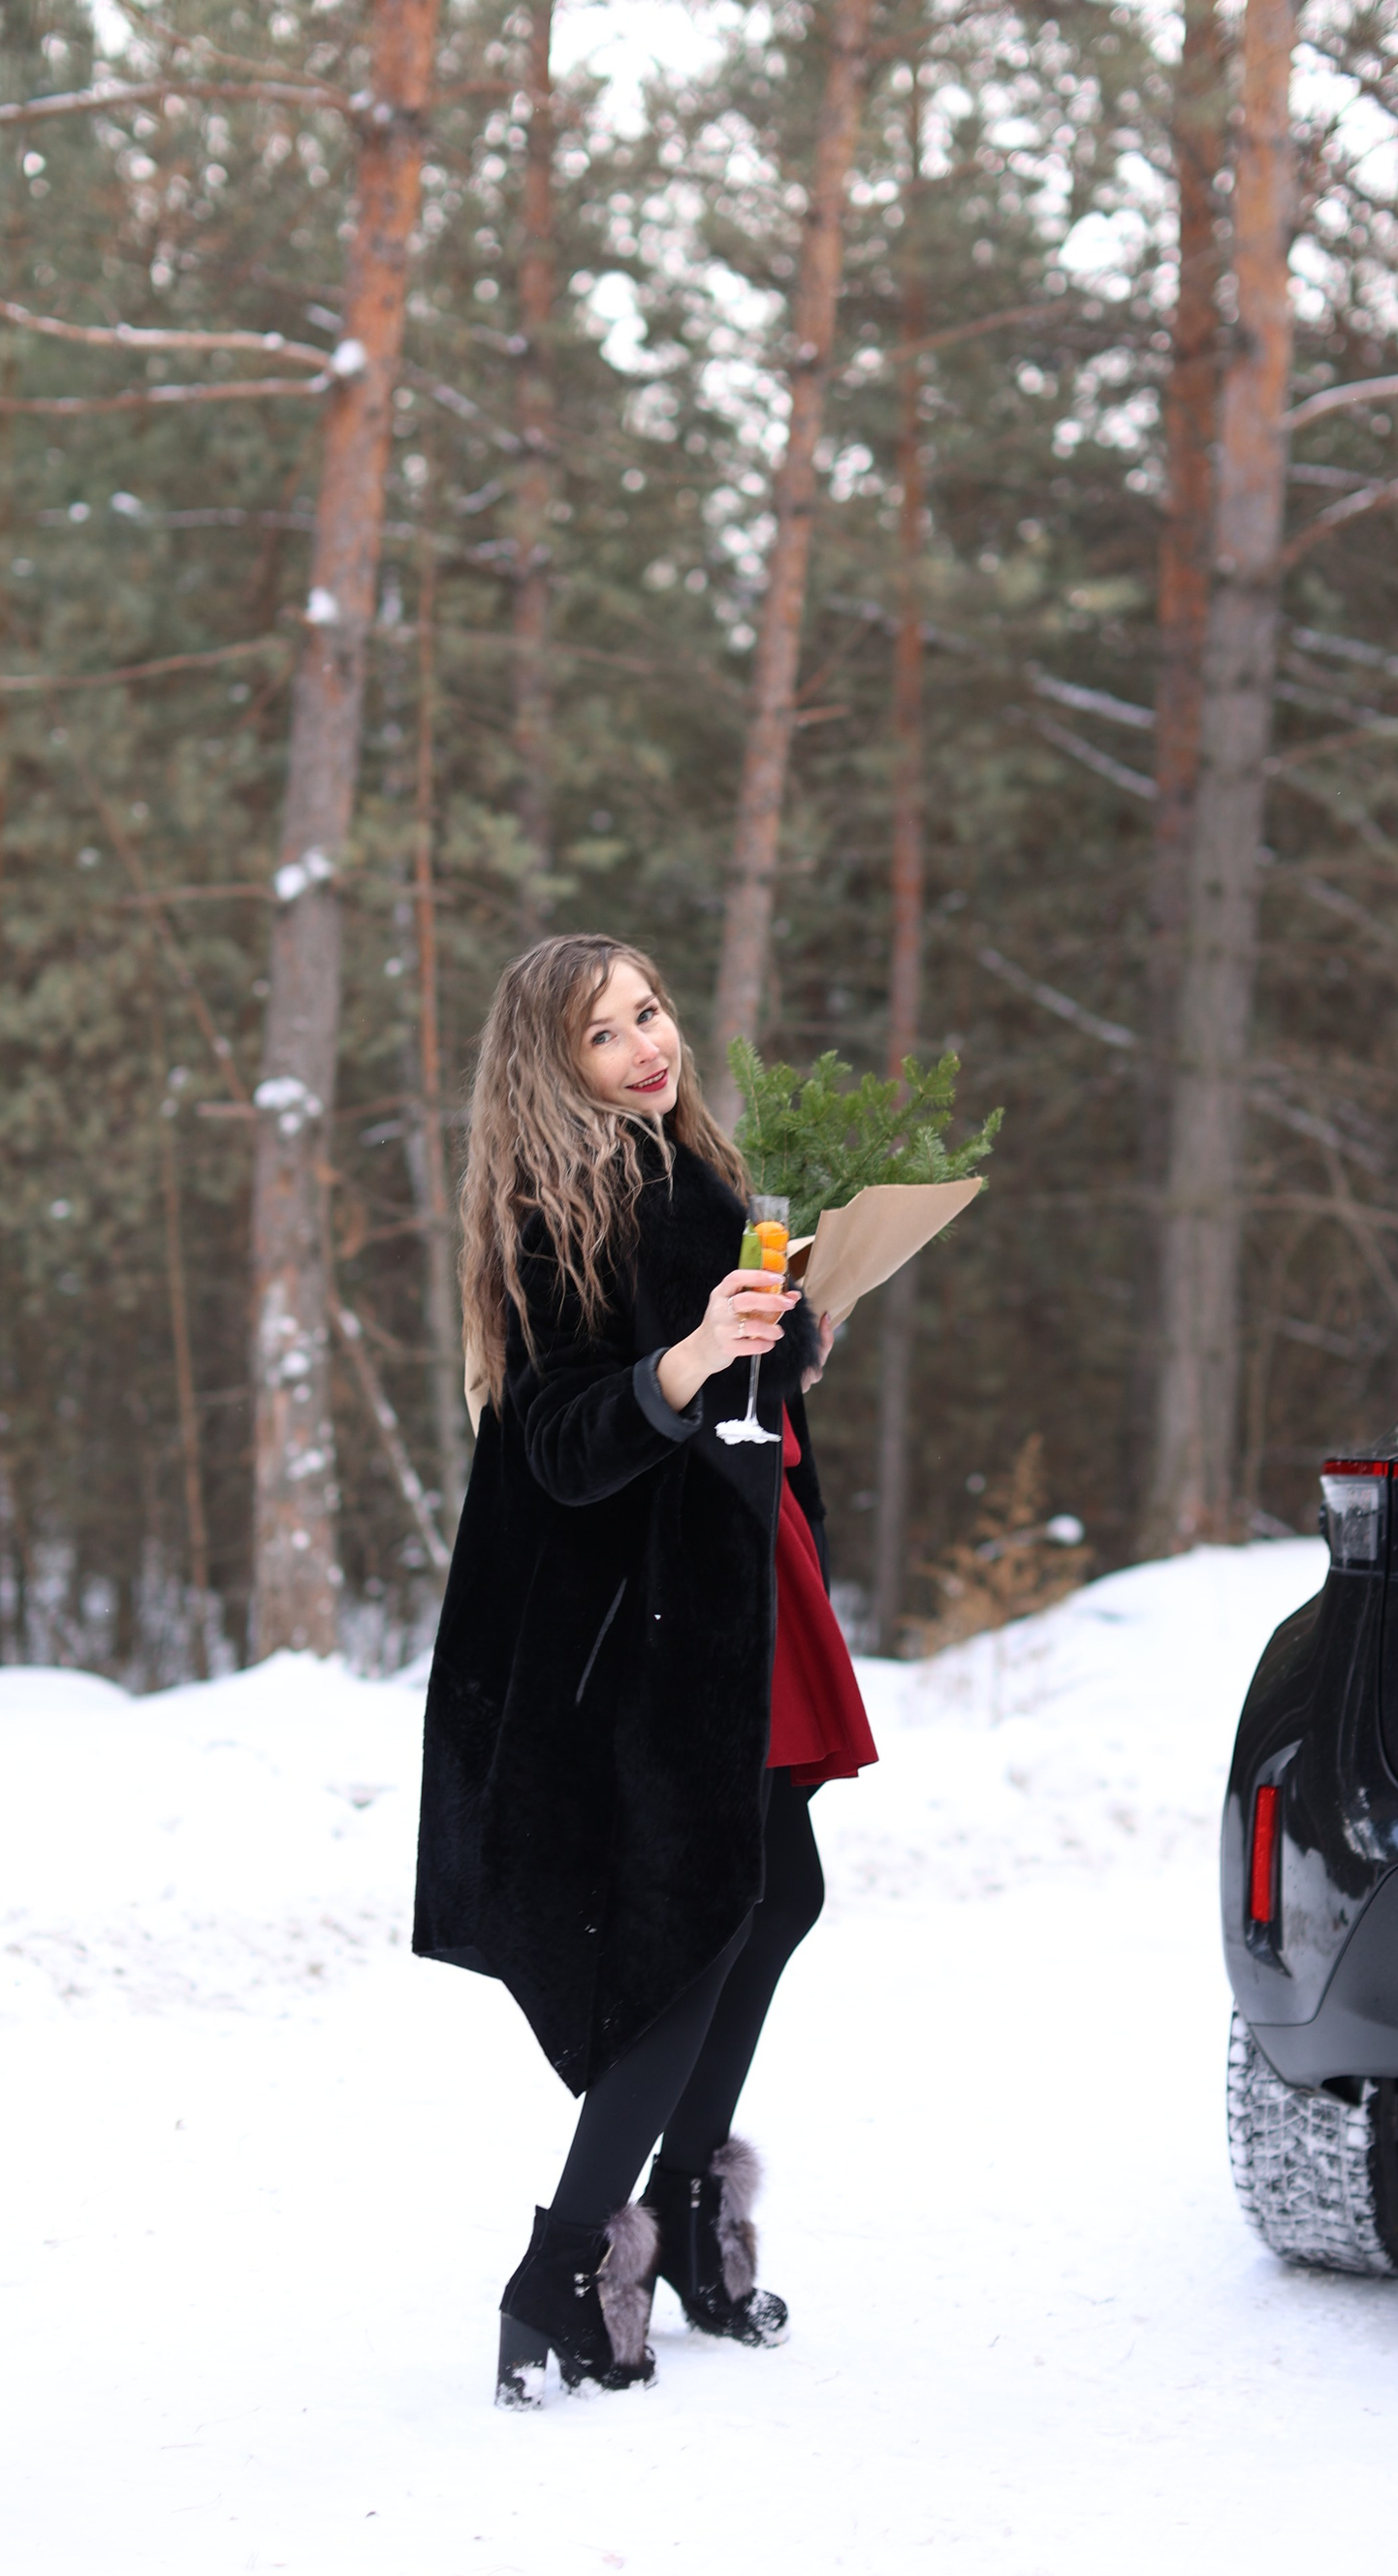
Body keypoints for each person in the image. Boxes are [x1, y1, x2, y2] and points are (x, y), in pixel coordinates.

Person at [413, 935, 876, 2406]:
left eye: (651, 1012)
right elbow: (560, 1440)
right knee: (698, 1919)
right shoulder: (557, 1210)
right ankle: (563, 2264)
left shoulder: (694, 1174)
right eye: (605, 1034)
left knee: (777, 1892)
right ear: (553, 1066)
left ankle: (681, 2207)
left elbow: (739, 1385)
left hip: (735, 1588)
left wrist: (792, 1341)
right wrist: (684, 1363)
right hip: (645, 1625)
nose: (646, 1046)